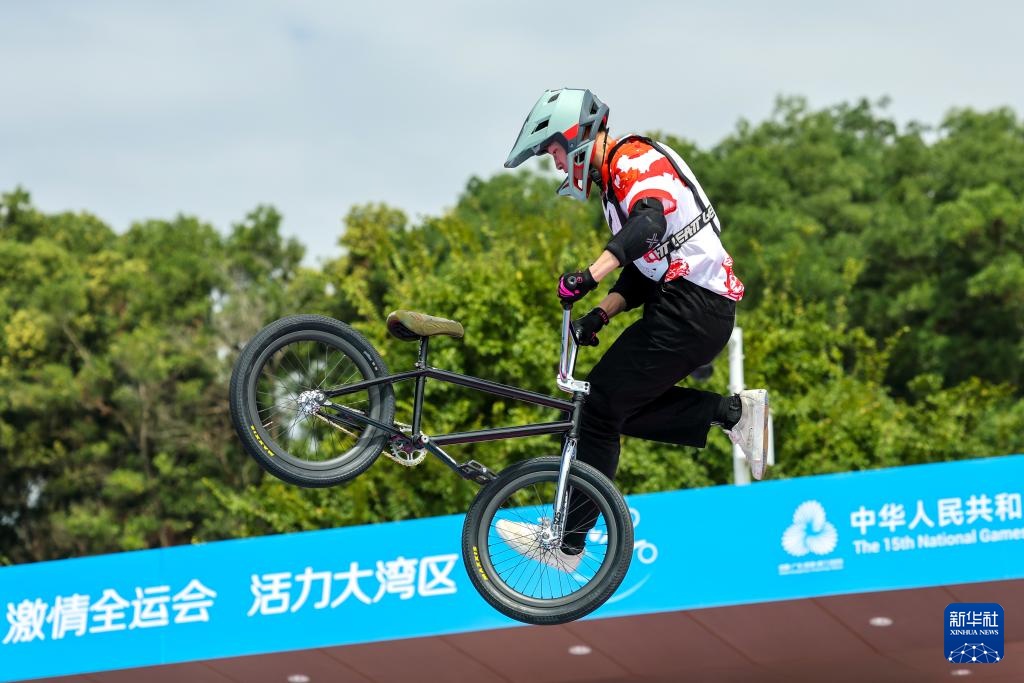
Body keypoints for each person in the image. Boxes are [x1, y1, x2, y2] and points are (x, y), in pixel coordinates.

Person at [499, 88, 771, 572]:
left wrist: (589, 275)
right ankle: (731, 414)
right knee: (606, 411)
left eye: (554, 151)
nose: (556, 165)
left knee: (599, 410)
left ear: (575, 136)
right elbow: (643, 271)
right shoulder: (614, 188)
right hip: (687, 307)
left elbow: (648, 226)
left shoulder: (633, 160)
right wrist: (601, 313)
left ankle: (568, 544)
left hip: (694, 307)